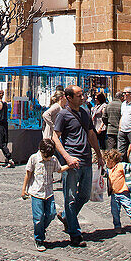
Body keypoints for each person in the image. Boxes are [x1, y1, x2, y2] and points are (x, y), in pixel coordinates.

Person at [51, 85, 103, 246]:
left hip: (86, 160)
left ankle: (67, 216)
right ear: (69, 97)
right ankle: (75, 233)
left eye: (83, 95)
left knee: (85, 195)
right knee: (71, 198)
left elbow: (91, 134)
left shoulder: (85, 113)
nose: (83, 98)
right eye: (79, 96)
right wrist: (66, 157)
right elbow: (55, 137)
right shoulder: (63, 115)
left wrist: (99, 155)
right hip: (72, 162)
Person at [21, 138, 71, 251]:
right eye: (46, 156)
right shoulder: (34, 158)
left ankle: (40, 229)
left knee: (51, 214)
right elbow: (28, 174)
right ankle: (39, 239)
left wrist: (70, 165)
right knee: (38, 218)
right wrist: (24, 189)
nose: (48, 158)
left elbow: (59, 169)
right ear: (41, 151)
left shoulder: (53, 159)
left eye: (49, 156)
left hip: (49, 193)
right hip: (36, 193)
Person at [102, 148, 131, 234]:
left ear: (112, 160)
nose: (106, 164)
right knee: (115, 212)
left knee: (130, 208)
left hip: (124, 193)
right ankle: (117, 226)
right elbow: (102, 173)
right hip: (114, 194)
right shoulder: (108, 170)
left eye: (107, 162)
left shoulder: (121, 166)